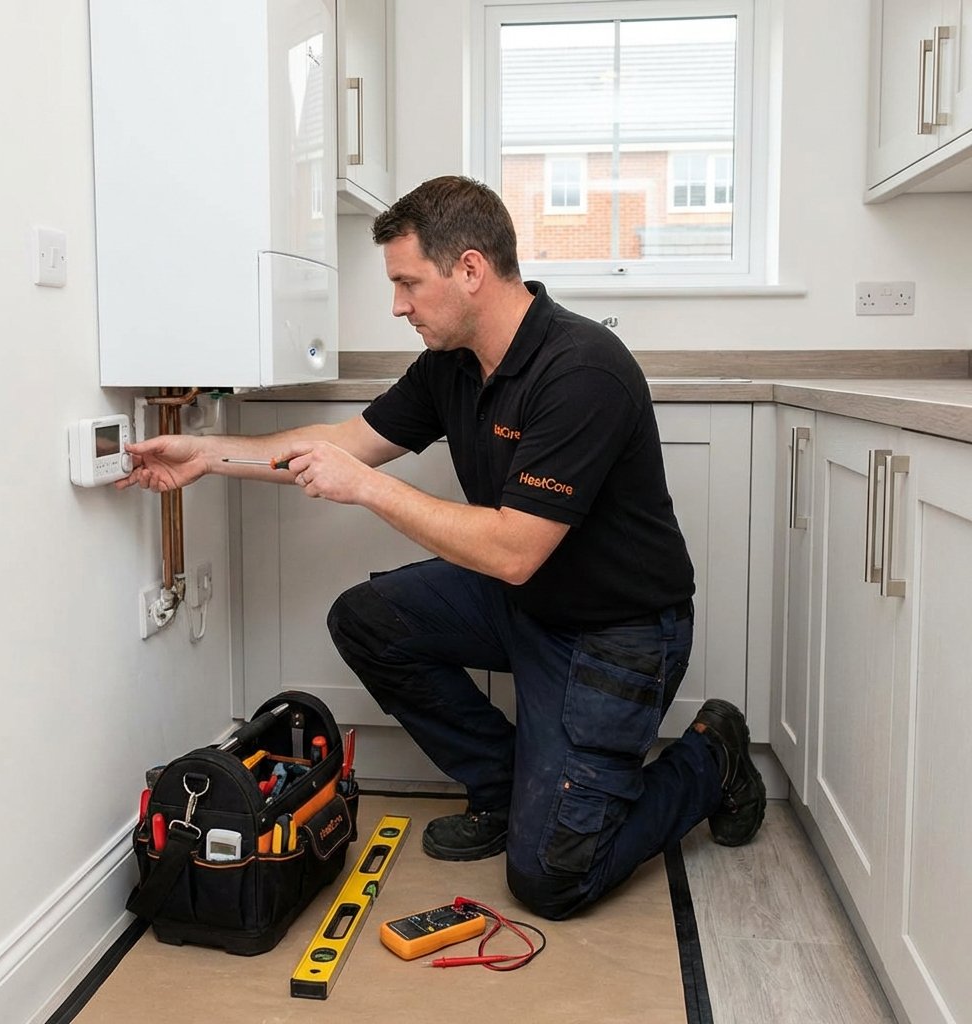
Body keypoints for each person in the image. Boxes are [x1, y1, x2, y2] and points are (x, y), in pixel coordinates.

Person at [119, 175, 766, 920]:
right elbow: (340, 443)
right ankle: (506, 786)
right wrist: (207, 455)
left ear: (468, 269)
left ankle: (712, 754)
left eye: (407, 283)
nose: (398, 305)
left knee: (554, 880)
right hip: (526, 603)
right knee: (367, 619)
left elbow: (513, 550)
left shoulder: (582, 370)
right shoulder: (453, 365)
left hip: (616, 633)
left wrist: (365, 487)